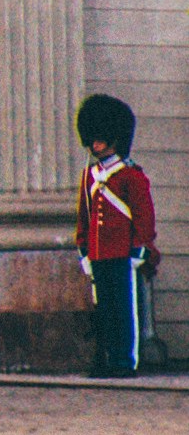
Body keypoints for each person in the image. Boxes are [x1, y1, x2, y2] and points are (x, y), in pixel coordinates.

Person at [79, 94, 151, 380]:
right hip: (98, 254)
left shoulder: (131, 177)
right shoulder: (90, 176)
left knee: (125, 310)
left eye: (101, 138)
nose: (95, 144)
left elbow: (144, 218)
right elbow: (84, 216)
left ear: (115, 138)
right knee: (104, 311)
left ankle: (125, 360)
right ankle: (106, 358)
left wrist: (138, 251)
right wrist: (83, 250)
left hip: (123, 254)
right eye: (93, 138)